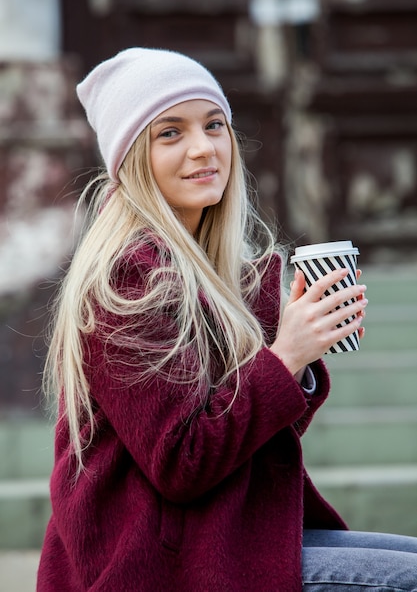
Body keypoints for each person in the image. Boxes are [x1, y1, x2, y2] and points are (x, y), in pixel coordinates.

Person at [37, 48, 417, 592]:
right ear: (131, 158)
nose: (203, 148)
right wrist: (284, 358)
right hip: (161, 565)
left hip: (226, 536)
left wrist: (299, 357)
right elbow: (184, 463)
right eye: (170, 133)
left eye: (214, 125)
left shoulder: (213, 271)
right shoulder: (126, 279)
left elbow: (243, 439)